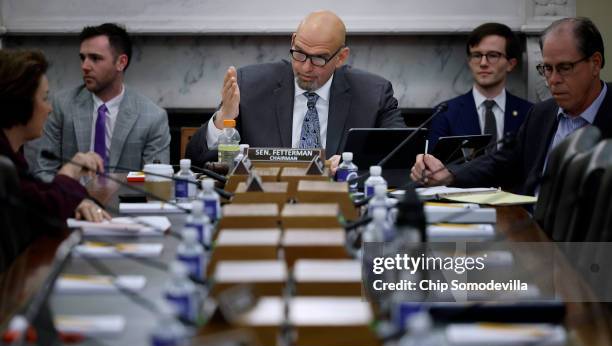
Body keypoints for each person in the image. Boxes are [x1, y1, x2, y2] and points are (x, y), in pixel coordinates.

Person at [411, 17, 611, 196]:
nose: (553, 80)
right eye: (547, 69)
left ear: (595, 63)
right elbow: (502, 161)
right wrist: (449, 175)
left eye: (565, 68)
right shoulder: (541, 114)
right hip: (531, 227)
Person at [185, 10, 406, 170]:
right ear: (293, 40)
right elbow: (195, 159)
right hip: (266, 205)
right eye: (299, 53)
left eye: (319, 58)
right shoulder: (250, 85)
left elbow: (402, 154)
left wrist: (355, 162)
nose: (305, 67)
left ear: (341, 57)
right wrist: (224, 119)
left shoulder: (373, 93)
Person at [27, 23, 170, 181]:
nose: (85, 66)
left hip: (123, 202)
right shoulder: (61, 106)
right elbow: (43, 172)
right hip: (72, 202)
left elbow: (157, 181)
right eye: (83, 58)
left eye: (95, 58)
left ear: (121, 62)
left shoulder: (152, 117)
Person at [0, 49, 110, 223]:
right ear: (21, 102)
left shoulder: (14, 155)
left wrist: (79, 202)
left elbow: (40, 193)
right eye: (44, 98)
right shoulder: (3, 163)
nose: (49, 108)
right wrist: (68, 172)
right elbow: (43, 211)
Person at [427, 23, 532, 150]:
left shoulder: (529, 113)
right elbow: (435, 167)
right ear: (469, 61)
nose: (483, 63)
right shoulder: (445, 113)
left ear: (510, 64)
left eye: (493, 55)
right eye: (476, 55)